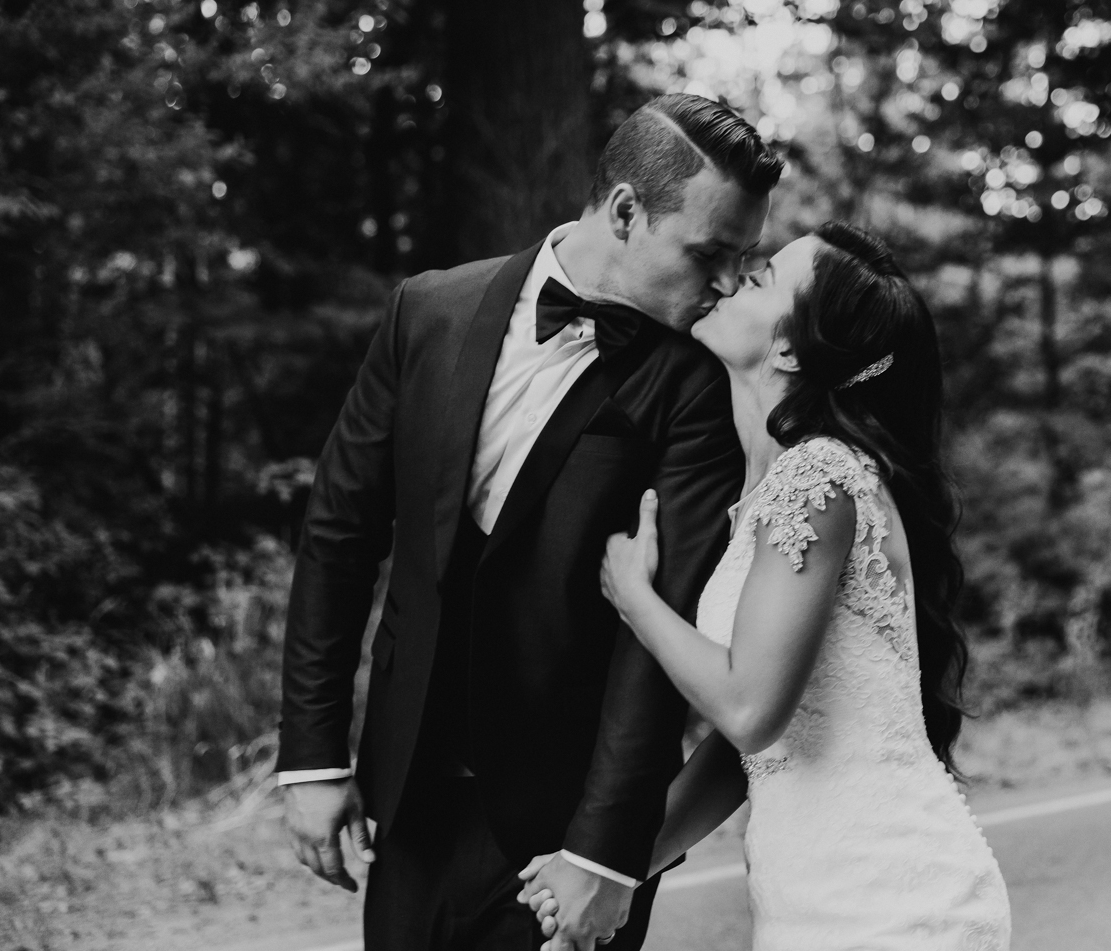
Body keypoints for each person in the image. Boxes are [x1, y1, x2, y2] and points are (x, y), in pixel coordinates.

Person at [274, 93, 782, 951]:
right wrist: (313, 756)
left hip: (564, 831)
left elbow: (657, 637)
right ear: (625, 210)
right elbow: (339, 535)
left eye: (743, 259)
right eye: (709, 253)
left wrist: (606, 851)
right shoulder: (427, 310)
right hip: (410, 799)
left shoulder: (698, 385)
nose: (728, 283)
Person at [522, 222, 1011, 950]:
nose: (728, 280)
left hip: (889, 899)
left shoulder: (819, 478)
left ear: (789, 348)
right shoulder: (768, 489)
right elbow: (747, 748)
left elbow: (749, 711)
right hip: (807, 900)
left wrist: (635, 598)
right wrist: (610, 866)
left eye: (758, 279)